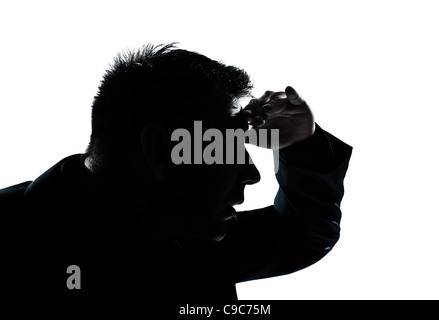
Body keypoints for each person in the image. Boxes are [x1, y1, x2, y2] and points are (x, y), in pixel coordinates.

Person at [0, 43, 352, 302]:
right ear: (157, 149)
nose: (251, 174)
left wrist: (303, 145)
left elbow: (302, 234)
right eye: (225, 147)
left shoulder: (188, 234)